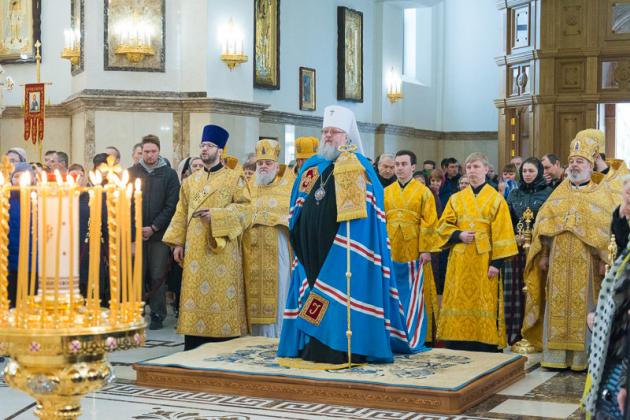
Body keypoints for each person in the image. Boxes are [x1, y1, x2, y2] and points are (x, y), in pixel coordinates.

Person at [278, 105, 423, 365]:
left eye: (334, 132)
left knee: (336, 295)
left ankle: (341, 347)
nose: (328, 136)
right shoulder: (312, 166)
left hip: (345, 249)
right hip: (311, 249)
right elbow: (297, 204)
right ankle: (312, 344)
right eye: (325, 131)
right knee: (314, 292)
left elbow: (368, 216)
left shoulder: (359, 167)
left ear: (346, 136)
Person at [522, 133, 618, 370]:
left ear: (589, 166)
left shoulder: (601, 194)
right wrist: (543, 255)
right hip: (557, 261)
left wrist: (604, 258)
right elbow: (544, 226)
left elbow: (607, 231)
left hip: (587, 264)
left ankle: (581, 360)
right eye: (572, 161)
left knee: (583, 309)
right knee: (556, 306)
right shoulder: (559, 193)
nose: (575, 165)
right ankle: (555, 357)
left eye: (580, 162)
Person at [163, 124, 251, 351]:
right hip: (195, 252)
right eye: (202, 145)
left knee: (221, 297)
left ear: (220, 150)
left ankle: (223, 346)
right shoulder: (191, 181)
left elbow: (245, 210)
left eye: (210, 146)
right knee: (194, 297)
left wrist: (217, 216)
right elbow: (181, 211)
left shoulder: (234, 178)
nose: (204, 149)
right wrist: (177, 243)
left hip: (221, 251)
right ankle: (193, 346)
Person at [436, 152, 518, 352]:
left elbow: (503, 233)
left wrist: (496, 264)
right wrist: (458, 234)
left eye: (476, 167)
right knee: (457, 297)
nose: (472, 171)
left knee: (484, 299)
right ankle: (456, 340)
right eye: (469, 167)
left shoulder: (496, 199)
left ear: (486, 169)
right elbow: (442, 226)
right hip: (460, 259)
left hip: (484, 259)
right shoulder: (456, 199)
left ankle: (484, 342)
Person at [384, 150, 440, 346]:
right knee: (393, 290)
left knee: (416, 292)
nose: (399, 168)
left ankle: (417, 333)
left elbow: (430, 222)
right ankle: (393, 333)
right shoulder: (387, 191)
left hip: (415, 249)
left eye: (403, 164)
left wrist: (426, 249)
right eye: (397, 164)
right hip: (391, 248)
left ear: (413, 167)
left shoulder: (424, 192)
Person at [128, 135, 180, 330]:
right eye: (146, 152)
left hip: (159, 235)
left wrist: (154, 227)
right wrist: (137, 229)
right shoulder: (132, 172)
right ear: (142, 152)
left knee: (158, 274)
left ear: (159, 152)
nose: (150, 155)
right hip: (136, 233)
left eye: (153, 151)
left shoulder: (168, 174)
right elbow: (127, 204)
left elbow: (171, 204)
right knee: (136, 273)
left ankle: (157, 313)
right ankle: (136, 312)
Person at [242, 139, 292, 338]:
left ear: (276, 166)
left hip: (277, 249)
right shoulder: (246, 188)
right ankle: (251, 337)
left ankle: (278, 336)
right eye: (260, 163)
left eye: (268, 163)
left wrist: (266, 218)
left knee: (279, 292)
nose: (263, 166)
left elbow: (290, 215)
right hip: (251, 249)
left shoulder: (286, 188)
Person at [503, 157, 552, 345]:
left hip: (540, 250)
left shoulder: (548, 193)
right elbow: (507, 220)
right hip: (516, 248)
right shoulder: (514, 194)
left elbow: (550, 222)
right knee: (516, 290)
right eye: (524, 171)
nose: (527, 174)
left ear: (538, 172)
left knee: (536, 289)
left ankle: (536, 331)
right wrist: (515, 236)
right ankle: (516, 331)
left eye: (531, 171)